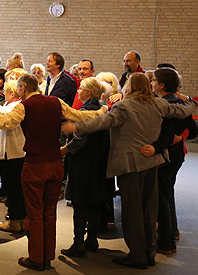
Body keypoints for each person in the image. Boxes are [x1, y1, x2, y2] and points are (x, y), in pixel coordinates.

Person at [0, 73, 106, 271]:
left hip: (35, 165)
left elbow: (6, 122)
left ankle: (37, 258)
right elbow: (79, 115)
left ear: (22, 88)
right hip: (55, 164)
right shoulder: (56, 102)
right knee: (50, 212)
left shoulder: (24, 106)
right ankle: (47, 257)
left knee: (35, 214)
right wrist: (103, 110)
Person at [62, 73, 198, 269]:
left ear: (130, 87)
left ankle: (137, 256)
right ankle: (149, 253)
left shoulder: (124, 106)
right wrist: (190, 101)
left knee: (132, 212)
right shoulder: (160, 104)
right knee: (149, 211)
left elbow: (103, 122)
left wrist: (77, 126)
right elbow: (184, 111)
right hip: (152, 162)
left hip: (130, 166)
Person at [141, 68, 198, 255]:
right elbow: (194, 131)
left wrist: (156, 147)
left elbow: (161, 135)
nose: (151, 83)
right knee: (167, 194)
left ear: (162, 85)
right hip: (177, 156)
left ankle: (166, 243)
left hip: (165, 156)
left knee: (162, 198)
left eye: (154, 80)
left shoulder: (162, 106)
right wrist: (180, 138)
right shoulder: (181, 103)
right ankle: (171, 232)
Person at [59, 78, 110, 258]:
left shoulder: (84, 113)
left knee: (80, 203)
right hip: (100, 162)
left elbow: (79, 140)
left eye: (80, 88)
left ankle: (78, 243)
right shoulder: (103, 109)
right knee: (95, 201)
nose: (78, 90)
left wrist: (63, 150)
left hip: (83, 163)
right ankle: (92, 239)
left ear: (87, 93)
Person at [0, 80, 26, 233]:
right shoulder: (11, 106)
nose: (4, 94)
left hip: (12, 154)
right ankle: (19, 219)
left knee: (12, 189)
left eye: (6, 92)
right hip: (12, 153)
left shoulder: (15, 107)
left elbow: (2, 114)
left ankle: (15, 221)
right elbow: (1, 110)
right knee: (15, 189)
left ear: (12, 93)